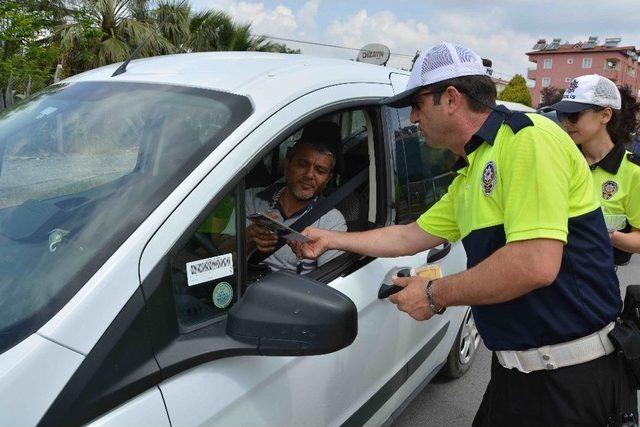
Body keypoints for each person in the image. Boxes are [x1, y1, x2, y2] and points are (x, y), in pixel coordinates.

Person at [290, 43, 636, 425]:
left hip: (569, 382)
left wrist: (434, 295)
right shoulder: (473, 169)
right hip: (518, 373)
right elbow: (410, 235)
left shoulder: (527, 140)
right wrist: (332, 239)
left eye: (418, 103)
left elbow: (535, 263)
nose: (412, 116)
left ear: (450, 99)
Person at [543, 75, 640, 265]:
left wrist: (602, 233)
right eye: (562, 115)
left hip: (596, 281)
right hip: (549, 273)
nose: (565, 124)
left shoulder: (633, 171)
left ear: (605, 115)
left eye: (573, 115)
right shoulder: (558, 159)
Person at [246, 121, 347, 274]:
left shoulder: (332, 221)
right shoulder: (251, 197)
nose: (309, 175)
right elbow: (218, 254)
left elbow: (331, 279)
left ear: (327, 179)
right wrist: (247, 238)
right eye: (302, 164)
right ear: (287, 165)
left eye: (320, 170)